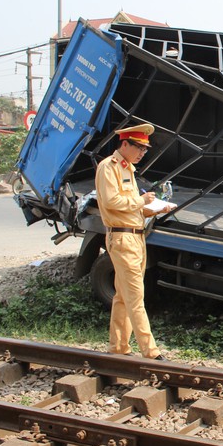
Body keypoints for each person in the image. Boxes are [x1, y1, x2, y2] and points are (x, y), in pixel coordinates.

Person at [95, 124, 174, 360]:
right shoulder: (108, 167)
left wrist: (154, 209)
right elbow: (112, 202)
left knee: (123, 295)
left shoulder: (127, 168)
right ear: (125, 144)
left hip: (136, 236)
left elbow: (130, 209)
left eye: (145, 149)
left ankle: (118, 347)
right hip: (122, 238)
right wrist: (141, 201)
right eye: (138, 147)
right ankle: (151, 352)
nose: (142, 152)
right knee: (135, 297)